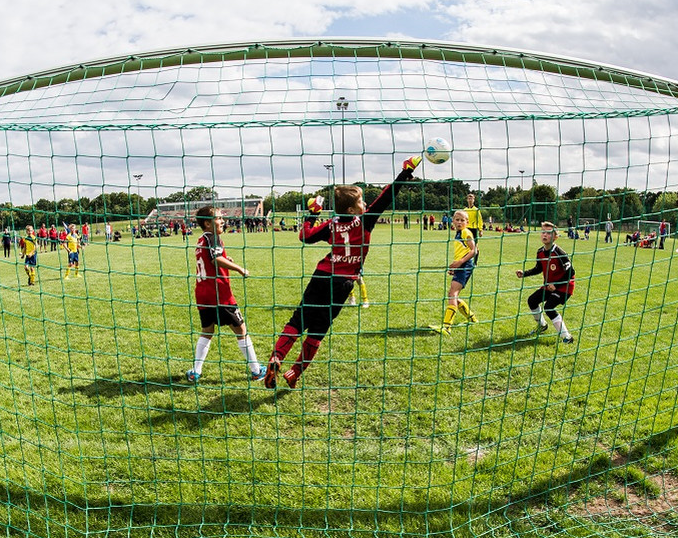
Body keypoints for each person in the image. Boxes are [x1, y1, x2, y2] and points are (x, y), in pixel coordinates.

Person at [264, 156, 422, 390]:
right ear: (352, 209)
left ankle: (276, 357)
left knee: (297, 321)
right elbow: (386, 197)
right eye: (361, 202)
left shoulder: (332, 224)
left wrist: (312, 214)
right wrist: (404, 174)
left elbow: (305, 237)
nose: (365, 204)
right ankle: (294, 372)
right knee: (318, 331)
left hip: (321, 277)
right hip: (343, 284)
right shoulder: (364, 221)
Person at [185, 207, 265, 383]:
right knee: (241, 330)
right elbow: (215, 259)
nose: (223, 221)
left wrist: (226, 261)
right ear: (207, 223)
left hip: (203, 293)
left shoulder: (201, 239)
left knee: (207, 330)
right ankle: (256, 370)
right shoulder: (214, 237)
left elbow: (210, 260)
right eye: (219, 218)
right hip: (219, 293)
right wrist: (239, 269)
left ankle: (196, 371)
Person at [517, 222, 576, 343]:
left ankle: (567, 337)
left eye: (548, 233)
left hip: (565, 286)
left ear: (555, 237)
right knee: (532, 300)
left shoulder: (560, 253)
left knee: (549, 308)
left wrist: (556, 285)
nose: (544, 235)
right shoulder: (540, 252)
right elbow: (538, 268)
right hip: (549, 286)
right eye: (543, 232)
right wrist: (525, 273)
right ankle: (542, 326)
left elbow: (571, 272)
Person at [434, 210, 479, 335]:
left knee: (452, 293)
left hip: (465, 265)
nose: (459, 222)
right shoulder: (458, 233)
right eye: (457, 220)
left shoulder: (465, 232)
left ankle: (447, 327)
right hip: (461, 265)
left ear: (467, 222)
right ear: (452, 221)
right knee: (453, 294)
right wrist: (455, 266)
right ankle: (472, 318)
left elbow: (474, 250)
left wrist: (460, 263)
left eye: (462, 220)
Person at [464, 192, 483, 263]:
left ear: (474, 200)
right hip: (466, 229)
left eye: (471, 198)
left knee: (475, 246)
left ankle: (475, 262)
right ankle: (467, 261)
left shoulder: (476, 210)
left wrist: (480, 230)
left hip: (474, 229)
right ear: (467, 199)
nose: (470, 199)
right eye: (469, 198)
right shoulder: (465, 210)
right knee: (466, 246)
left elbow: (480, 220)